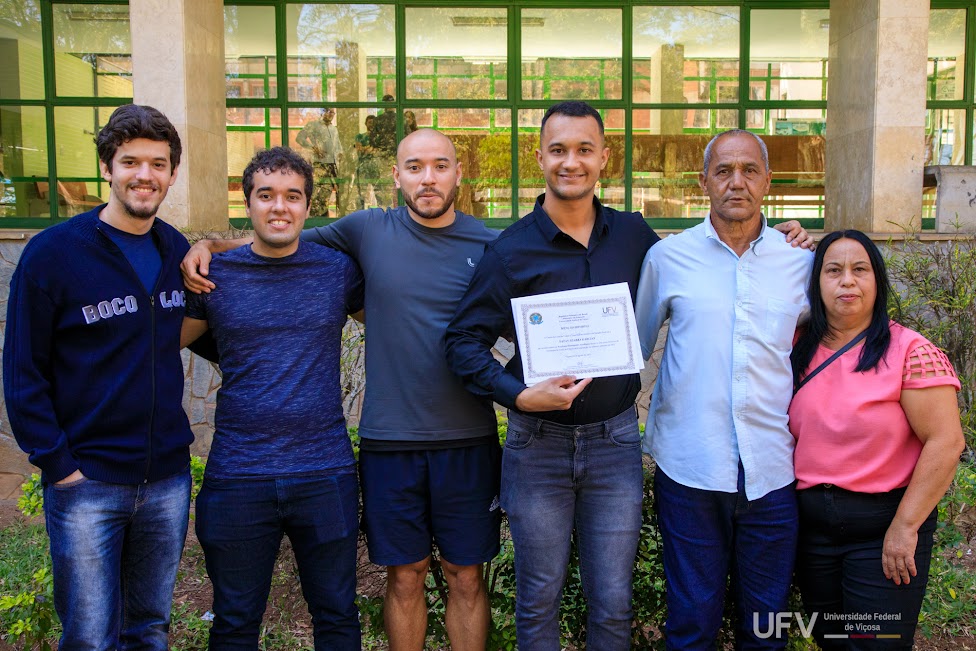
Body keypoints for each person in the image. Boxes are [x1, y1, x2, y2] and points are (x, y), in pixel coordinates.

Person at [445, 104, 812, 651]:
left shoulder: (639, 239)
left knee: (614, 602)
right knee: (538, 597)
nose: (572, 162)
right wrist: (518, 394)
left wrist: (790, 242)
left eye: (584, 150)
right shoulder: (509, 250)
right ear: (540, 157)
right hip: (537, 446)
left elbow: (716, 268)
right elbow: (461, 343)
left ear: (604, 159)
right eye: (559, 150)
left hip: (614, 443)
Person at [180, 128, 500, 651]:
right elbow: (277, 240)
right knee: (396, 577)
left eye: (440, 165)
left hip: (435, 445)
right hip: (344, 451)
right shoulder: (362, 231)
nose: (427, 177)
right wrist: (210, 244)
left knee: (447, 582)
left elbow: (514, 320)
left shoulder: (483, 245)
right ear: (395, 176)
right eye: (414, 166)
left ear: (458, 173)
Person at [3, 104, 196, 650]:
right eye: (130, 161)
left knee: (150, 629)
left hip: (166, 479)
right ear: (107, 168)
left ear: (172, 173)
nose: (145, 175)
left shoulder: (173, 249)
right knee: (89, 637)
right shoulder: (54, 254)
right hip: (87, 482)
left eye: (158, 164)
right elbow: (22, 372)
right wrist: (60, 465)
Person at [634, 128, 815, 650]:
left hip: (774, 469)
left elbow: (832, 348)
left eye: (750, 170)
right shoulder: (668, 259)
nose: (737, 182)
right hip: (689, 466)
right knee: (691, 623)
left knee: (766, 628)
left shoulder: (800, 263)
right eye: (723, 171)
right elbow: (635, 348)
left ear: (767, 181)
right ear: (703, 182)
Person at [180, 147, 364, 649]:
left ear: (309, 205)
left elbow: (404, 320)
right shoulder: (215, 277)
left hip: (324, 472)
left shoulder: (338, 271)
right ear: (248, 203)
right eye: (266, 195)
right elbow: (156, 342)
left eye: (292, 196)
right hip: (238, 476)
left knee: (337, 615)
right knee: (235, 620)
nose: (279, 207)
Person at [788, 230, 964, 650]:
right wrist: (782, 236)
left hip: (883, 531)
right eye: (833, 270)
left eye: (859, 269)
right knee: (831, 642)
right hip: (813, 534)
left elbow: (946, 441)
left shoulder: (910, 350)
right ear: (816, 284)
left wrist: (905, 528)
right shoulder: (793, 347)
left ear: (877, 281)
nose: (847, 281)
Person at [296, 106, 343, 217]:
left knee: (328, 194)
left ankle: (324, 219)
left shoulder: (334, 129)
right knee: (316, 194)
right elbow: (299, 138)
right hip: (319, 165)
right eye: (329, 112)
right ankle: (313, 219)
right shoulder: (314, 125)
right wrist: (312, 147)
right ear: (323, 112)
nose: (331, 114)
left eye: (333, 113)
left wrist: (341, 156)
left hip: (333, 166)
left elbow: (338, 147)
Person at [355, 115, 383, 208]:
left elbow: (379, 150)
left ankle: (381, 212)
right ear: (366, 123)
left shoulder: (380, 138)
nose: (371, 125)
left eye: (373, 123)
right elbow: (359, 149)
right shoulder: (360, 136)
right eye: (370, 122)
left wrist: (368, 149)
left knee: (379, 191)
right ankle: (361, 213)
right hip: (363, 166)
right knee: (362, 192)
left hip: (376, 166)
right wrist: (370, 148)